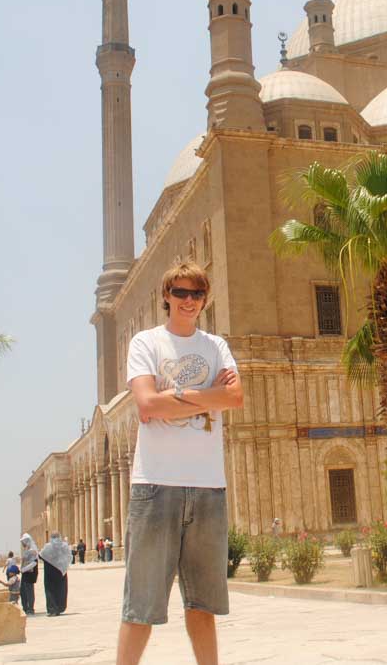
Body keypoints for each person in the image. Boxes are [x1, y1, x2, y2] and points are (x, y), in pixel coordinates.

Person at [116, 262, 244, 665]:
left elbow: (235, 398)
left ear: (204, 300)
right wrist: (208, 394)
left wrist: (174, 399)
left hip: (208, 487)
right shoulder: (146, 342)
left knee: (203, 605)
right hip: (156, 486)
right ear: (167, 296)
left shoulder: (215, 345)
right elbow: (146, 404)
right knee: (142, 605)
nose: (188, 301)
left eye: (196, 295)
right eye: (181, 293)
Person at [39, 532, 71, 617]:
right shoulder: (64, 546)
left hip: (50, 572)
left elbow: (41, 555)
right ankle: (60, 607)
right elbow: (69, 556)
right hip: (61, 572)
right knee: (61, 590)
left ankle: (52, 609)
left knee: (50, 590)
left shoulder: (48, 546)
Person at [19, 533, 39, 615]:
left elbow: (34, 563)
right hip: (25, 573)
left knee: (29, 591)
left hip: (29, 574)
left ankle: (30, 608)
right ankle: (26, 607)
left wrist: (23, 569)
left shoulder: (32, 551)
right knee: (24, 591)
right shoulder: (27, 550)